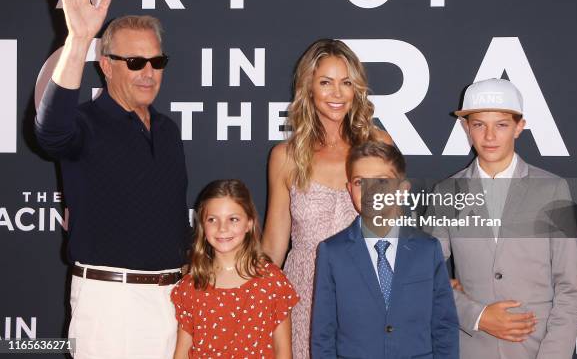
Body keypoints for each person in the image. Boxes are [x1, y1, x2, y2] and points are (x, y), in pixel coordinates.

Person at [35, 0, 191, 358]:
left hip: (173, 301)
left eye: (156, 62)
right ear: (105, 65)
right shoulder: (84, 124)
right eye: (134, 62)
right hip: (110, 303)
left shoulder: (169, 131)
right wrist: (79, 38)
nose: (148, 72)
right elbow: (50, 132)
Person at [428, 78, 577, 359]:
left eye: (500, 124)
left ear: (519, 127)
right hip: (470, 349)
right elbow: (425, 275)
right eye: (478, 124)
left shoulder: (553, 189)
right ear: (466, 127)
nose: (489, 136)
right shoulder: (447, 192)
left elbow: (569, 288)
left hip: (537, 349)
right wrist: (478, 316)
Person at [262, 39, 393, 357]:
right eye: (326, 82)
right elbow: (273, 246)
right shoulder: (286, 156)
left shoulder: (378, 143)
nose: (337, 94)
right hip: (304, 293)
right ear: (308, 87)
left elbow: (393, 228)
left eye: (346, 82)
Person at [311, 141, 459, 358]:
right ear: (349, 189)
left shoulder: (427, 250)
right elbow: (323, 335)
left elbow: (444, 325)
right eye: (360, 182)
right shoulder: (332, 252)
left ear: (402, 190)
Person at [172, 179, 299, 359]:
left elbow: (283, 351)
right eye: (212, 220)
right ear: (202, 225)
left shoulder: (272, 281)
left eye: (233, 219)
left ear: (249, 223)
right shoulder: (191, 286)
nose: (222, 228)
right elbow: (182, 352)